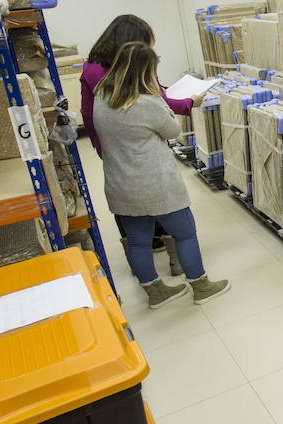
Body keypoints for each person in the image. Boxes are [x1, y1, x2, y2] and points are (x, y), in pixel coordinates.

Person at [93, 41, 229, 308]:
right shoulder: (145, 102)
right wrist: (162, 101)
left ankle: (155, 293)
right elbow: (172, 132)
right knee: (185, 234)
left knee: (139, 242)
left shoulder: (101, 98)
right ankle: (201, 287)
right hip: (157, 184)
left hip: (121, 184)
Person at [81, 15, 195, 275]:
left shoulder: (91, 68)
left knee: (132, 220)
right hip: (148, 152)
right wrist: (189, 103)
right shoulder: (135, 69)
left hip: (113, 150)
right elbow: (160, 106)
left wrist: (103, 147)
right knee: (170, 210)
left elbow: (87, 113)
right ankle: (179, 263)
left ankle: (146, 277)